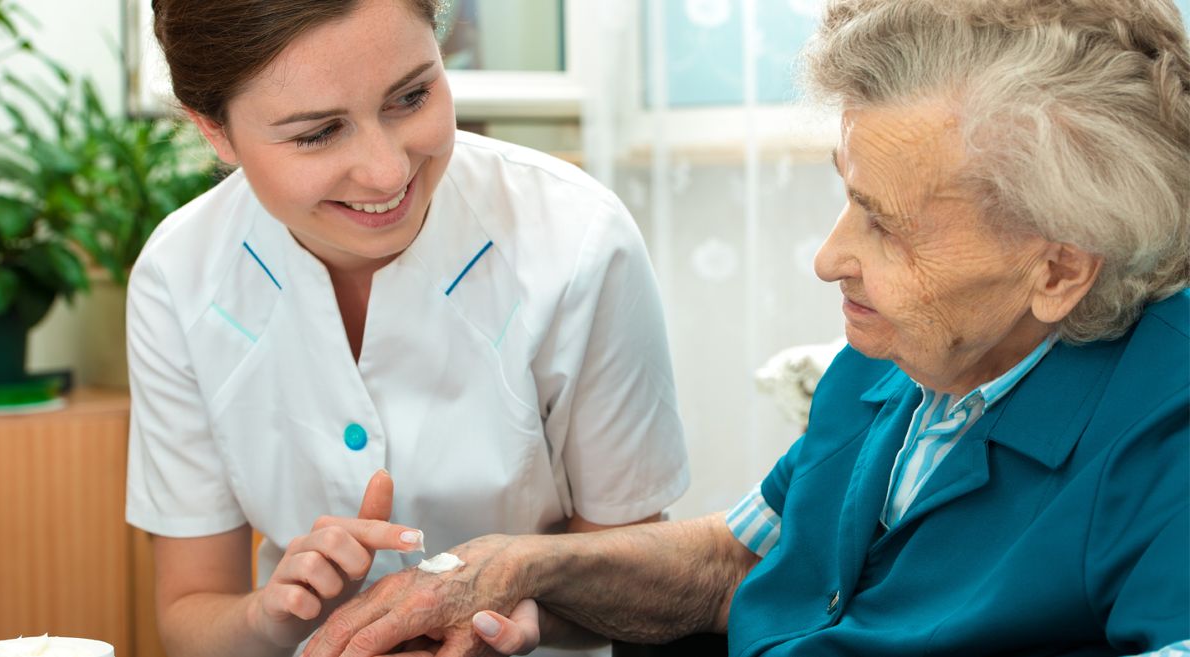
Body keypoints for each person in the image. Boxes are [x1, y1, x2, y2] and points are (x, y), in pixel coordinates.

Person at [299, 0, 1190, 655]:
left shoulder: (1164, 426)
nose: (831, 258)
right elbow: (739, 562)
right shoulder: (903, 357)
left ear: (1059, 269)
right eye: (849, 200)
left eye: (887, 223)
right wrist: (510, 569)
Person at [124, 1, 690, 656]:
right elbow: (190, 614)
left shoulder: (579, 242)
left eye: (412, 96)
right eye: (317, 133)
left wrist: (518, 608)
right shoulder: (180, 275)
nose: (388, 171)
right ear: (214, 131)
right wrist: (273, 615)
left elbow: (636, 578)